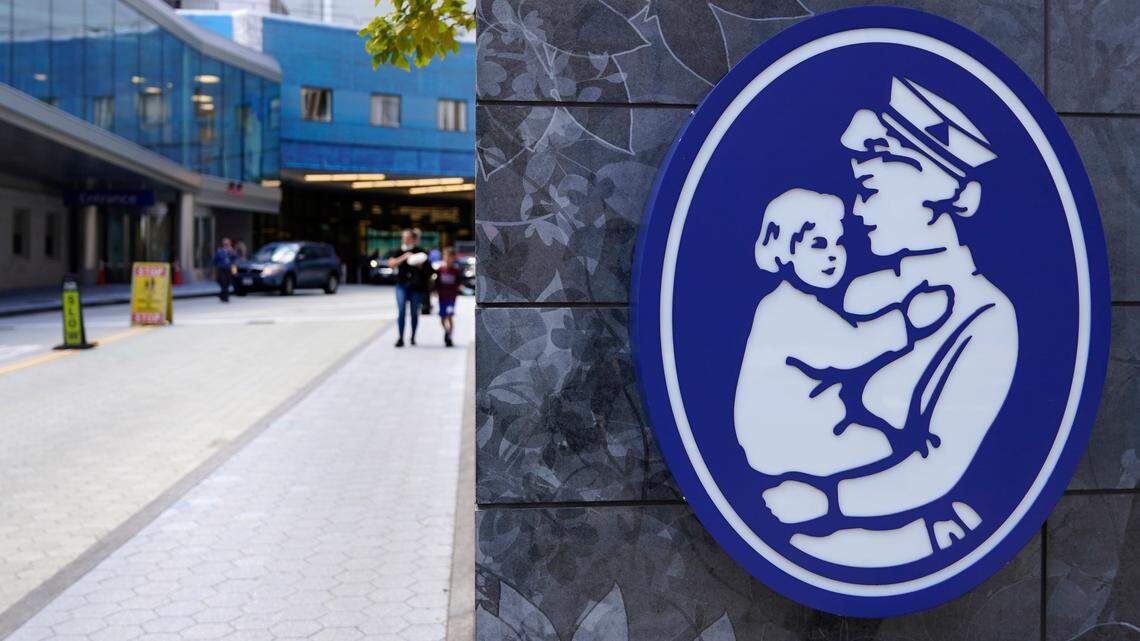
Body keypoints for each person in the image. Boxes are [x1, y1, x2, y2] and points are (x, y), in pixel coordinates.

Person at [735, 188, 951, 479]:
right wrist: (908, 321)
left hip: (809, 428)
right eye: (818, 245)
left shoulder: (800, 303)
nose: (833, 256)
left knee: (885, 442)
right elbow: (851, 348)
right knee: (889, 450)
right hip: (784, 442)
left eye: (838, 244)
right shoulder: (786, 309)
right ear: (784, 250)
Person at [386, 229, 431, 347]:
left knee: (414, 312)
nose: (405, 239)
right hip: (401, 285)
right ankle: (400, 337)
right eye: (403, 237)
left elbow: (429, 270)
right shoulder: (398, 251)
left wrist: (419, 265)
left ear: (413, 239)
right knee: (401, 311)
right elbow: (391, 263)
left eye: (408, 237)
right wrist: (405, 256)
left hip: (416, 287)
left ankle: (412, 337)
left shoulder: (421, 252)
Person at [435, 247, 461, 347]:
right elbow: (437, 283)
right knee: (442, 318)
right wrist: (435, 291)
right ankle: (446, 331)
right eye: (445, 256)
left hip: (451, 298)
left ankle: (449, 337)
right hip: (442, 298)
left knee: (450, 316)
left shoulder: (455, 270)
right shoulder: (440, 270)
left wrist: (458, 289)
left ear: (453, 258)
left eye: (450, 257)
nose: (447, 258)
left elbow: (459, 282)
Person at [212, 238, 237, 303]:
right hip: (222, 269)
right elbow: (215, 261)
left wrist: (234, 272)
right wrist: (214, 272)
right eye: (225, 244)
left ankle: (222, 296)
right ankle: (226, 297)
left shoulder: (231, 251)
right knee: (223, 282)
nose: (226, 245)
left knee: (228, 283)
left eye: (228, 244)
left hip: (229, 269)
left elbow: (234, 261)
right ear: (223, 244)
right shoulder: (219, 251)